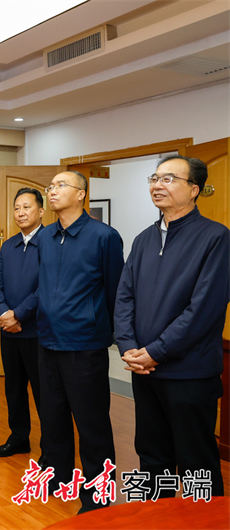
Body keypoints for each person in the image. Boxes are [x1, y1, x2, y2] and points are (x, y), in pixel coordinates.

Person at [115, 155, 228, 499]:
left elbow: (203, 310)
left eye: (168, 179)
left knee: (196, 462)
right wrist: (128, 347)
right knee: (152, 456)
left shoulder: (216, 237)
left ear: (194, 189)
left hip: (189, 373)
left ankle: (203, 521)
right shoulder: (144, 239)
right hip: (145, 371)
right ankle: (156, 517)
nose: (157, 185)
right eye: (154, 178)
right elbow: (124, 297)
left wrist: (156, 351)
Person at [35, 170, 124, 513]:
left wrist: (119, 338)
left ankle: (98, 495)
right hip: (47, 342)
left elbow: (116, 292)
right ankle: (57, 477)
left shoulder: (103, 236)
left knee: (91, 424)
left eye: (61, 186)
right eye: (51, 186)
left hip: (85, 345)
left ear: (81, 194)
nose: (52, 191)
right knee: (52, 417)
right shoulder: (45, 236)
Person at [0, 188, 45, 461]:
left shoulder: (50, 243)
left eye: (27, 207)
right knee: (14, 388)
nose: (21, 213)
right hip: (9, 331)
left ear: (41, 211)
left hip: (37, 332)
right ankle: (19, 438)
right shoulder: (8, 245)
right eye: (17, 208)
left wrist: (18, 315)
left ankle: (51, 448)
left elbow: (46, 288)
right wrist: (4, 314)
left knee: (44, 393)